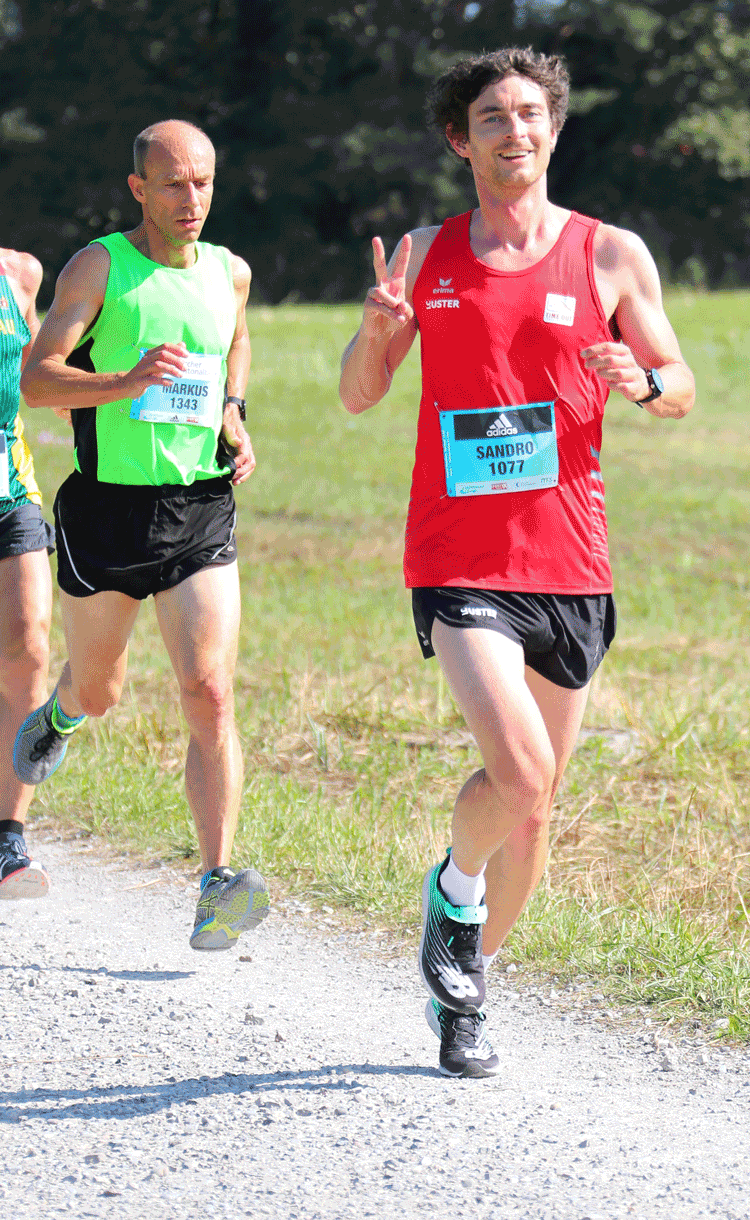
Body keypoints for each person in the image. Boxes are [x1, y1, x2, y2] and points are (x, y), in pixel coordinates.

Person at [339, 48, 695, 1078]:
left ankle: (466, 989)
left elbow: (679, 385)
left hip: (572, 563)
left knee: (534, 814)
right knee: (521, 768)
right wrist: (376, 332)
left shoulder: (610, 253)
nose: (514, 130)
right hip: (460, 560)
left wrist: (641, 379)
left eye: (530, 113)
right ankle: (453, 891)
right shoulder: (424, 254)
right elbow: (360, 394)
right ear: (462, 140)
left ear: (554, 128)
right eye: (491, 116)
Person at [14, 119, 270, 950]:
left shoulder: (230, 271)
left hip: (199, 509)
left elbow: (235, 341)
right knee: (101, 690)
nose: (191, 199)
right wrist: (125, 381)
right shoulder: (99, 267)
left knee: (210, 691)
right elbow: (37, 381)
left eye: (203, 182)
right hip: (108, 514)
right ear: (138, 189)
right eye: (172, 184)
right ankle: (61, 714)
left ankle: (217, 881)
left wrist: (233, 413)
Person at [0, 248, 57, 899]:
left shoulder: (19, 274)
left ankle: (8, 839)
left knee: (29, 647)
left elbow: (39, 378)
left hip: (9, 491)